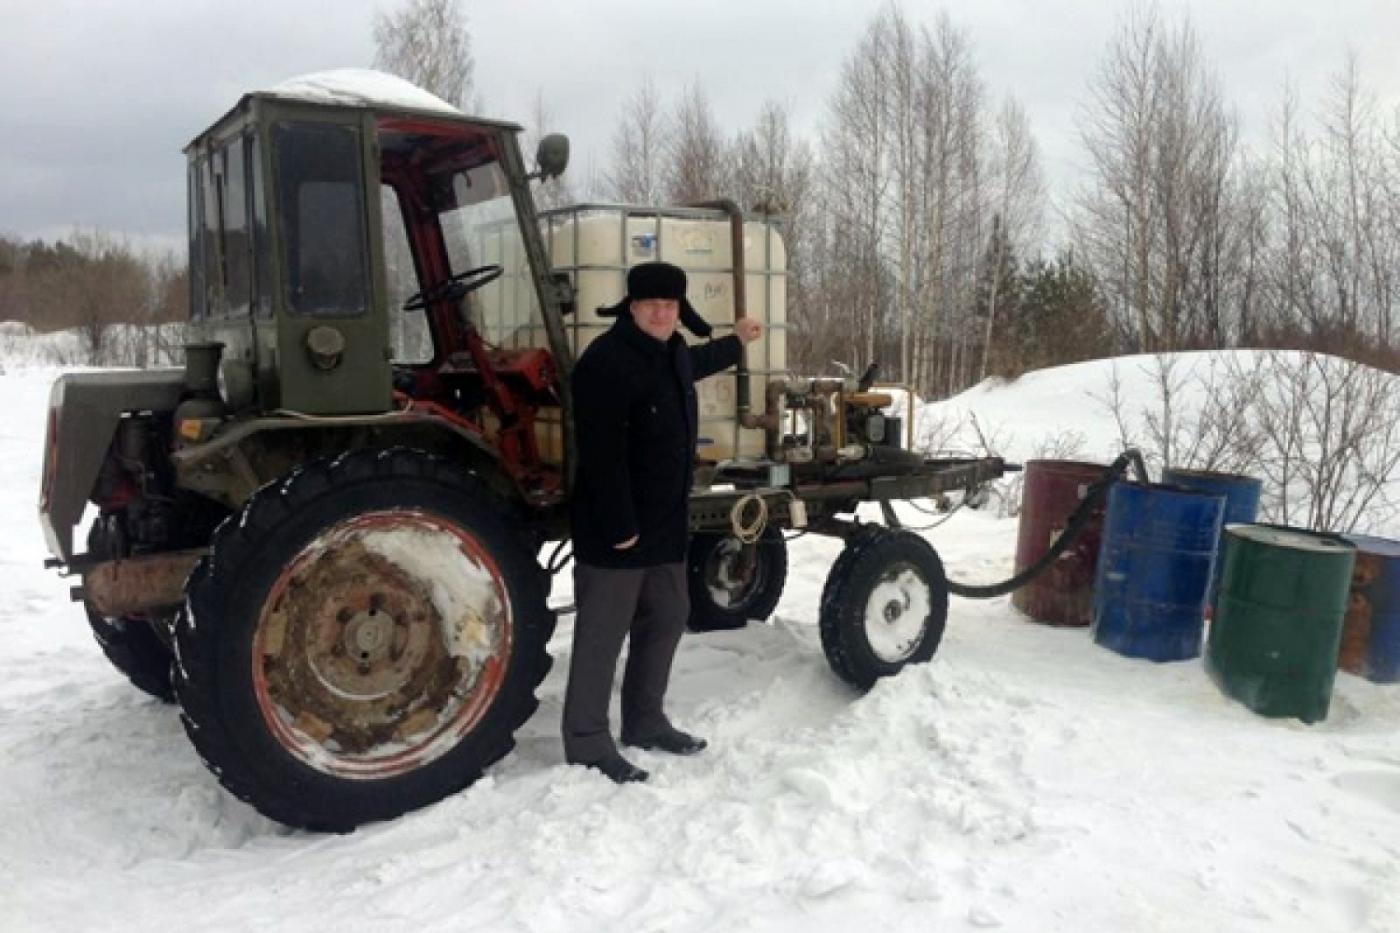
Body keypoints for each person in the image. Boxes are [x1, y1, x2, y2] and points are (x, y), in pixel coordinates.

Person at [564, 260, 763, 783]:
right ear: (631, 307)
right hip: (618, 528)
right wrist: (620, 525)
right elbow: (599, 455)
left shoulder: (669, 350)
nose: (660, 313)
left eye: (670, 305)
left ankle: (645, 720)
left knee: (668, 615)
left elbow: (693, 363)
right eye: (651, 304)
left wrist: (737, 341)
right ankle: (586, 742)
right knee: (602, 635)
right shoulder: (605, 362)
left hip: (665, 524)